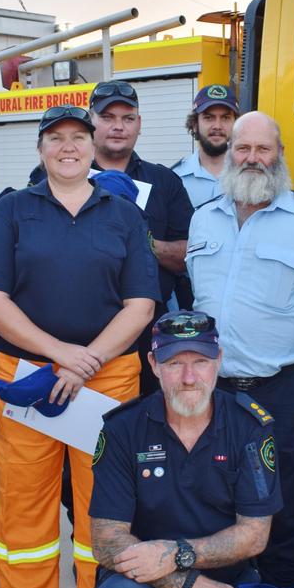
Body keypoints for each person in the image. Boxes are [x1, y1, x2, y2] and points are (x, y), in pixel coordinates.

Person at [0, 104, 159, 588]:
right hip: (25, 379)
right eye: (56, 138)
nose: (68, 146)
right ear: (40, 149)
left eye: (78, 136)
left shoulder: (124, 216)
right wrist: (61, 354)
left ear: (93, 147)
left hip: (108, 380)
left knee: (108, 510)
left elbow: (140, 306)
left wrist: (85, 361)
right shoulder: (11, 210)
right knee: (23, 515)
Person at [185, 111, 294, 588]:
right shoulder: (204, 219)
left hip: (282, 384)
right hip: (213, 385)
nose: (253, 158)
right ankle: (229, 572)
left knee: (290, 485)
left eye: (264, 149)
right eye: (244, 148)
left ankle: (285, 579)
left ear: (280, 154)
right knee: (217, 482)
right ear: (230, 153)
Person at [90, 310, 283, 588]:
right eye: (174, 363)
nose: (189, 378)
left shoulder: (249, 428)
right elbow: (106, 540)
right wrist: (191, 585)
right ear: (154, 365)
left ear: (218, 361)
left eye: (201, 362)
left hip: (225, 575)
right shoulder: (122, 429)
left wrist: (179, 555)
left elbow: (254, 535)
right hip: (142, 576)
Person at [31, 80, 194, 395]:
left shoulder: (164, 182)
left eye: (127, 118)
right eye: (107, 117)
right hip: (66, 333)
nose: (118, 126)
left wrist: (136, 241)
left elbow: (188, 256)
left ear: (139, 125)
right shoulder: (50, 176)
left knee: (140, 429)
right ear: (91, 122)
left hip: (148, 332)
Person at [172, 84, 239, 208]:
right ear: (195, 124)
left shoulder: (250, 174)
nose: (217, 126)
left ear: (236, 124)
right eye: (209, 118)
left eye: (225, 118)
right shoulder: (175, 178)